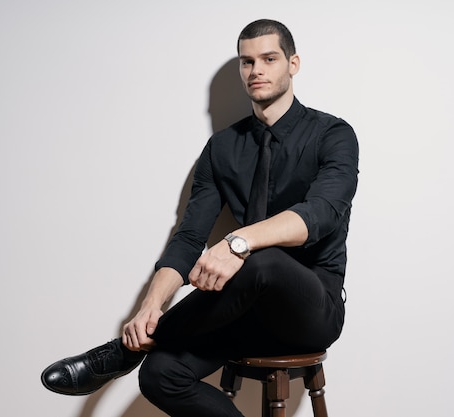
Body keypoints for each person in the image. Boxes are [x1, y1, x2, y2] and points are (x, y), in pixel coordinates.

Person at [41, 19, 359, 417]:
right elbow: (190, 237)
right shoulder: (223, 147)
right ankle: (140, 346)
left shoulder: (333, 134)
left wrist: (236, 242)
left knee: (262, 259)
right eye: (247, 62)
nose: (256, 70)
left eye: (269, 59)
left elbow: (320, 215)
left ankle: (121, 353)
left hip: (312, 310)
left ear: (293, 64)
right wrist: (148, 308)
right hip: (244, 312)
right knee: (159, 373)